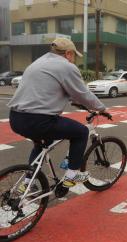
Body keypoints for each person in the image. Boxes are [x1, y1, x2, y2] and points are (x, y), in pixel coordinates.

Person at [7, 38, 107, 188]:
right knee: (80, 132)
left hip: (15, 118)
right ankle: (72, 175)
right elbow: (83, 93)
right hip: (39, 120)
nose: (74, 60)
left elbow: (48, 88)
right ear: (68, 53)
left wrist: (74, 100)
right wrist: (102, 108)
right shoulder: (66, 66)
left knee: (41, 144)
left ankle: (28, 182)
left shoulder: (38, 63)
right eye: (74, 56)